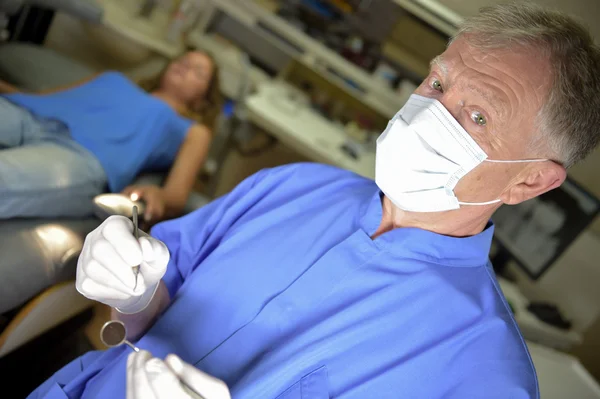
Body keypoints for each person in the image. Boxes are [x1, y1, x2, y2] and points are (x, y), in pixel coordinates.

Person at [28, 3, 600, 399]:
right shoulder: (296, 186)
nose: (430, 115)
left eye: (478, 117)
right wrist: (134, 292)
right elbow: (153, 305)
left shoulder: (481, 374)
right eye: (438, 83)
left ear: (529, 182)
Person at [0, 49, 222, 224]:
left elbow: (176, 195)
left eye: (198, 71)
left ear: (203, 100)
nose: (186, 66)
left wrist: (158, 196)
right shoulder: (114, 79)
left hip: (81, 156)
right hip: (28, 115)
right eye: (183, 60)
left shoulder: (194, 130)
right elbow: (41, 98)